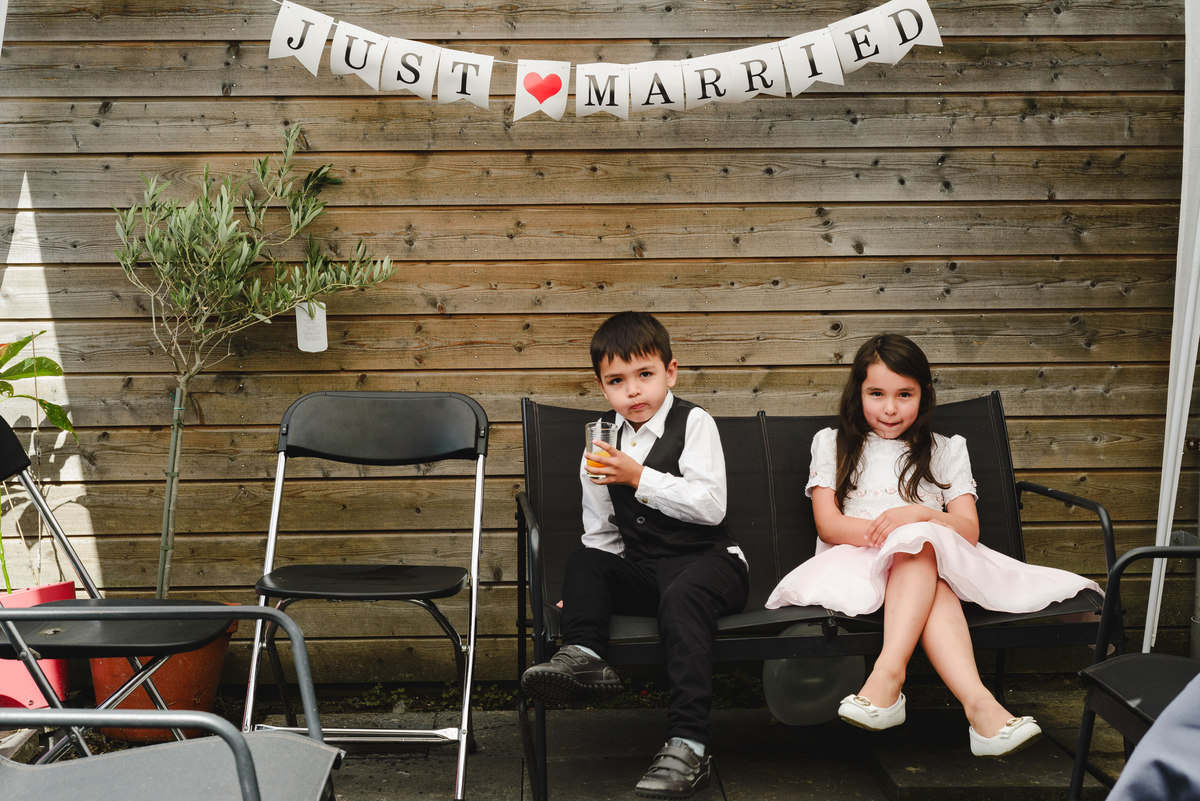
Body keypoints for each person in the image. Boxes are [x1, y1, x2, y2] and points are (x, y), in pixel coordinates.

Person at [765, 333, 1100, 757]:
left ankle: (898, 682)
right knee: (918, 551)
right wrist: (899, 534)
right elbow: (830, 525)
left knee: (920, 547)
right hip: (855, 563)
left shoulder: (945, 450)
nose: (890, 408)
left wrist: (919, 515)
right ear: (858, 394)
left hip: (939, 560)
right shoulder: (832, 443)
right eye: (876, 394)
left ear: (923, 396)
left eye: (904, 394)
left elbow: (967, 530)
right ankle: (974, 706)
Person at [520, 311, 749, 799]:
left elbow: (711, 506)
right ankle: (584, 655)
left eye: (645, 375)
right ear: (603, 389)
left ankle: (689, 745)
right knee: (584, 561)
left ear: (670, 372)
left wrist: (638, 477)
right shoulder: (601, 441)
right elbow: (601, 530)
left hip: (711, 567)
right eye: (617, 381)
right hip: (650, 575)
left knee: (683, 596)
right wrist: (588, 596)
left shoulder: (694, 422)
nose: (634, 391)